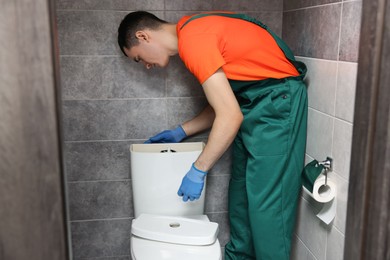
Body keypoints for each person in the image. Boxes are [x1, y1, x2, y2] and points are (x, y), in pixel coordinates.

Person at [117, 11, 308, 260]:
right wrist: (181, 131)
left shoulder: (195, 40)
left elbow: (229, 115)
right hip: (252, 106)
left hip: (276, 107)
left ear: (143, 36)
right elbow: (225, 102)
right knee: (240, 199)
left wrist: (199, 169)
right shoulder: (191, 32)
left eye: (139, 58)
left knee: (268, 206)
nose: (147, 65)